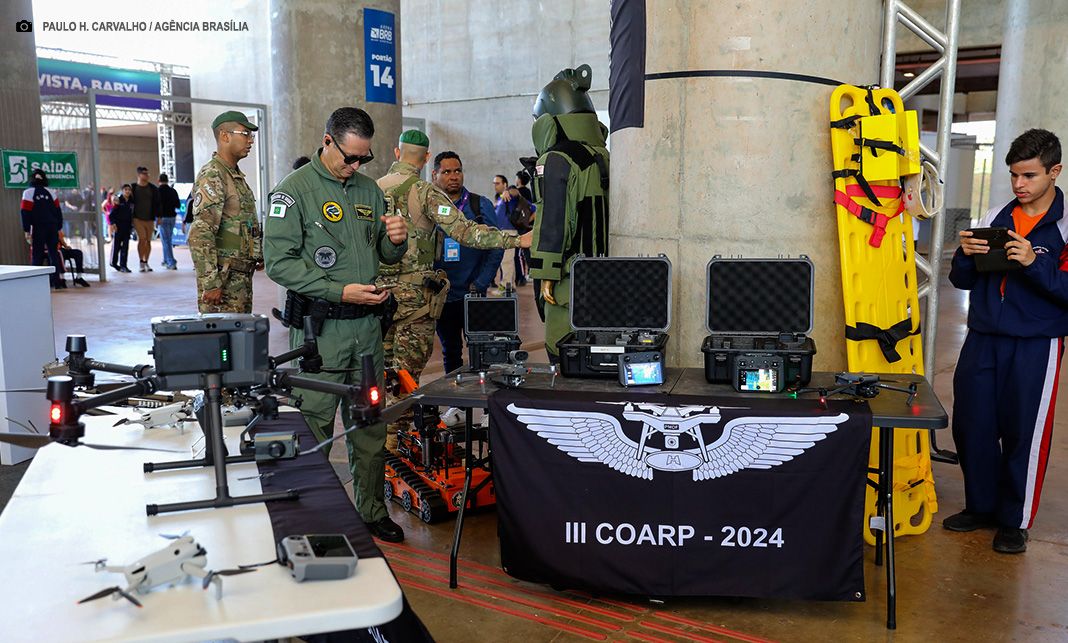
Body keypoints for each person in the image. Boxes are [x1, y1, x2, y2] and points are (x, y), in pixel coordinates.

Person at [264, 106, 409, 543]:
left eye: (364, 158)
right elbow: (278, 263)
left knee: (370, 423)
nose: (356, 166)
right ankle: (310, 519)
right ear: (327, 141)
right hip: (321, 332)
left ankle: (370, 512)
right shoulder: (294, 192)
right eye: (349, 157)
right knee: (313, 426)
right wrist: (336, 290)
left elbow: (382, 253)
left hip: (367, 330)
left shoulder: (369, 190)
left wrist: (396, 240)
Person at [945, 128, 1066, 554]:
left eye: (1029, 175)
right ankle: (981, 506)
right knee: (972, 426)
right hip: (982, 339)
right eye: (1014, 175)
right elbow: (960, 280)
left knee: (1024, 432)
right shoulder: (996, 215)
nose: (1019, 184)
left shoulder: (1065, 226)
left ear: (1055, 171)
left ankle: (1013, 521)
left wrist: (1033, 263)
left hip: (1036, 344)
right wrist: (964, 255)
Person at [376, 130, 530, 451]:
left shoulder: (370, 191)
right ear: (427, 158)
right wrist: (517, 240)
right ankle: (395, 448)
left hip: (375, 303)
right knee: (405, 379)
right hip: (414, 307)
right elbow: (468, 233)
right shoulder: (426, 194)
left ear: (396, 151)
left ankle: (377, 443)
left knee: (382, 375)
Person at [528, 64, 610, 361]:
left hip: (568, 280)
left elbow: (553, 222)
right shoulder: (604, 156)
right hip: (607, 276)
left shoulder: (556, 160)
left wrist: (545, 275)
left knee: (563, 353)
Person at [432, 151, 505, 374]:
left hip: (472, 294)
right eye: (447, 172)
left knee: (480, 349)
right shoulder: (429, 207)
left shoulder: (478, 204)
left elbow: (495, 246)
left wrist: (481, 282)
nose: (454, 176)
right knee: (450, 351)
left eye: (458, 171)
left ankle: (482, 402)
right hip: (443, 296)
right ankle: (457, 404)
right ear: (435, 175)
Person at [188, 111, 261, 313]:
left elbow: (238, 221)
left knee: (241, 339)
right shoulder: (213, 174)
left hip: (238, 277)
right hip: (223, 279)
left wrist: (255, 252)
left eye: (251, 135)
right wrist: (210, 282)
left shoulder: (234, 174)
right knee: (223, 340)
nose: (250, 141)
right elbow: (200, 233)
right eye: (245, 134)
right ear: (225, 136)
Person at [20, 168, 66, 289]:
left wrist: (26, 230)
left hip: (38, 227)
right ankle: (57, 282)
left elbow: (25, 212)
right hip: (52, 227)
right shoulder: (51, 192)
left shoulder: (28, 193)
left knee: (37, 255)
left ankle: (37, 285)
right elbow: (58, 211)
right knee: (53, 254)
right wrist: (58, 226)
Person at [129, 166, 160, 272]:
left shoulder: (153, 189)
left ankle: (146, 261)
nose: (147, 176)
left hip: (150, 218)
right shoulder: (133, 188)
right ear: (139, 175)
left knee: (148, 241)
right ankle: (141, 261)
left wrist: (159, 216)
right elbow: (125, 198)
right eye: (144, 174)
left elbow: (158, 203)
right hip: (137, 218)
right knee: (142, 239)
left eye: (148, 174)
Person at [157, 173, 181, 270]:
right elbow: (178, 204)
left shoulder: (157, 191)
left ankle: (171, 262)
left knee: (165, 240)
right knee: (168, 240)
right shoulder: (173, 191)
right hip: (172, 217)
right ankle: (166, 260)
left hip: (162, 218)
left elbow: (156, 205)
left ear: (159, 180)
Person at [109, 184, 134, 273]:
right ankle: (114, 262)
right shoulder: (118, 200)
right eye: (125, 190)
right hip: (118, 227)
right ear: (122, 191)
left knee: (125, 247)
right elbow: (112, 214)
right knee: (116, 246)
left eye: (129, 190)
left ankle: (124, 265)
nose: (127, 191)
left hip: (127, 228)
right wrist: (113, 224)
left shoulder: (131, 201)